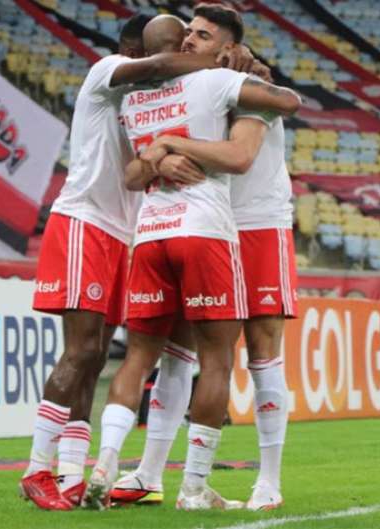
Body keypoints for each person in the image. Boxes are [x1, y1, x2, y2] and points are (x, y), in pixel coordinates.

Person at [21, 13, 261, 511]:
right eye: (176, 46)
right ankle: (37, 467)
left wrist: (161, 158)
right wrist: (218, 59)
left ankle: (71, 472)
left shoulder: (150, 99)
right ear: (141, 50)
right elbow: (163, 65)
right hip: (84, 221)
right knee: (83, 351)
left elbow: (139, 168)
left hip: (129, 233)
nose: (182, 56)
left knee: (98, 355)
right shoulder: (109, 70)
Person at [83, 8, 300, 511]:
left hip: (256, 222)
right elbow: (138, 168)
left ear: (226, 45)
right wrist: (160, 156)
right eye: (185, 34)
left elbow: (241, 154)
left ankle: (267, 480)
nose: (187, 42)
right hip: (202, 226)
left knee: (262, 348)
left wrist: (170, 146)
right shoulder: (182, 87)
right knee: (176, 352)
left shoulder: (242, 84)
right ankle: (150, 473)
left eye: (199, 35)